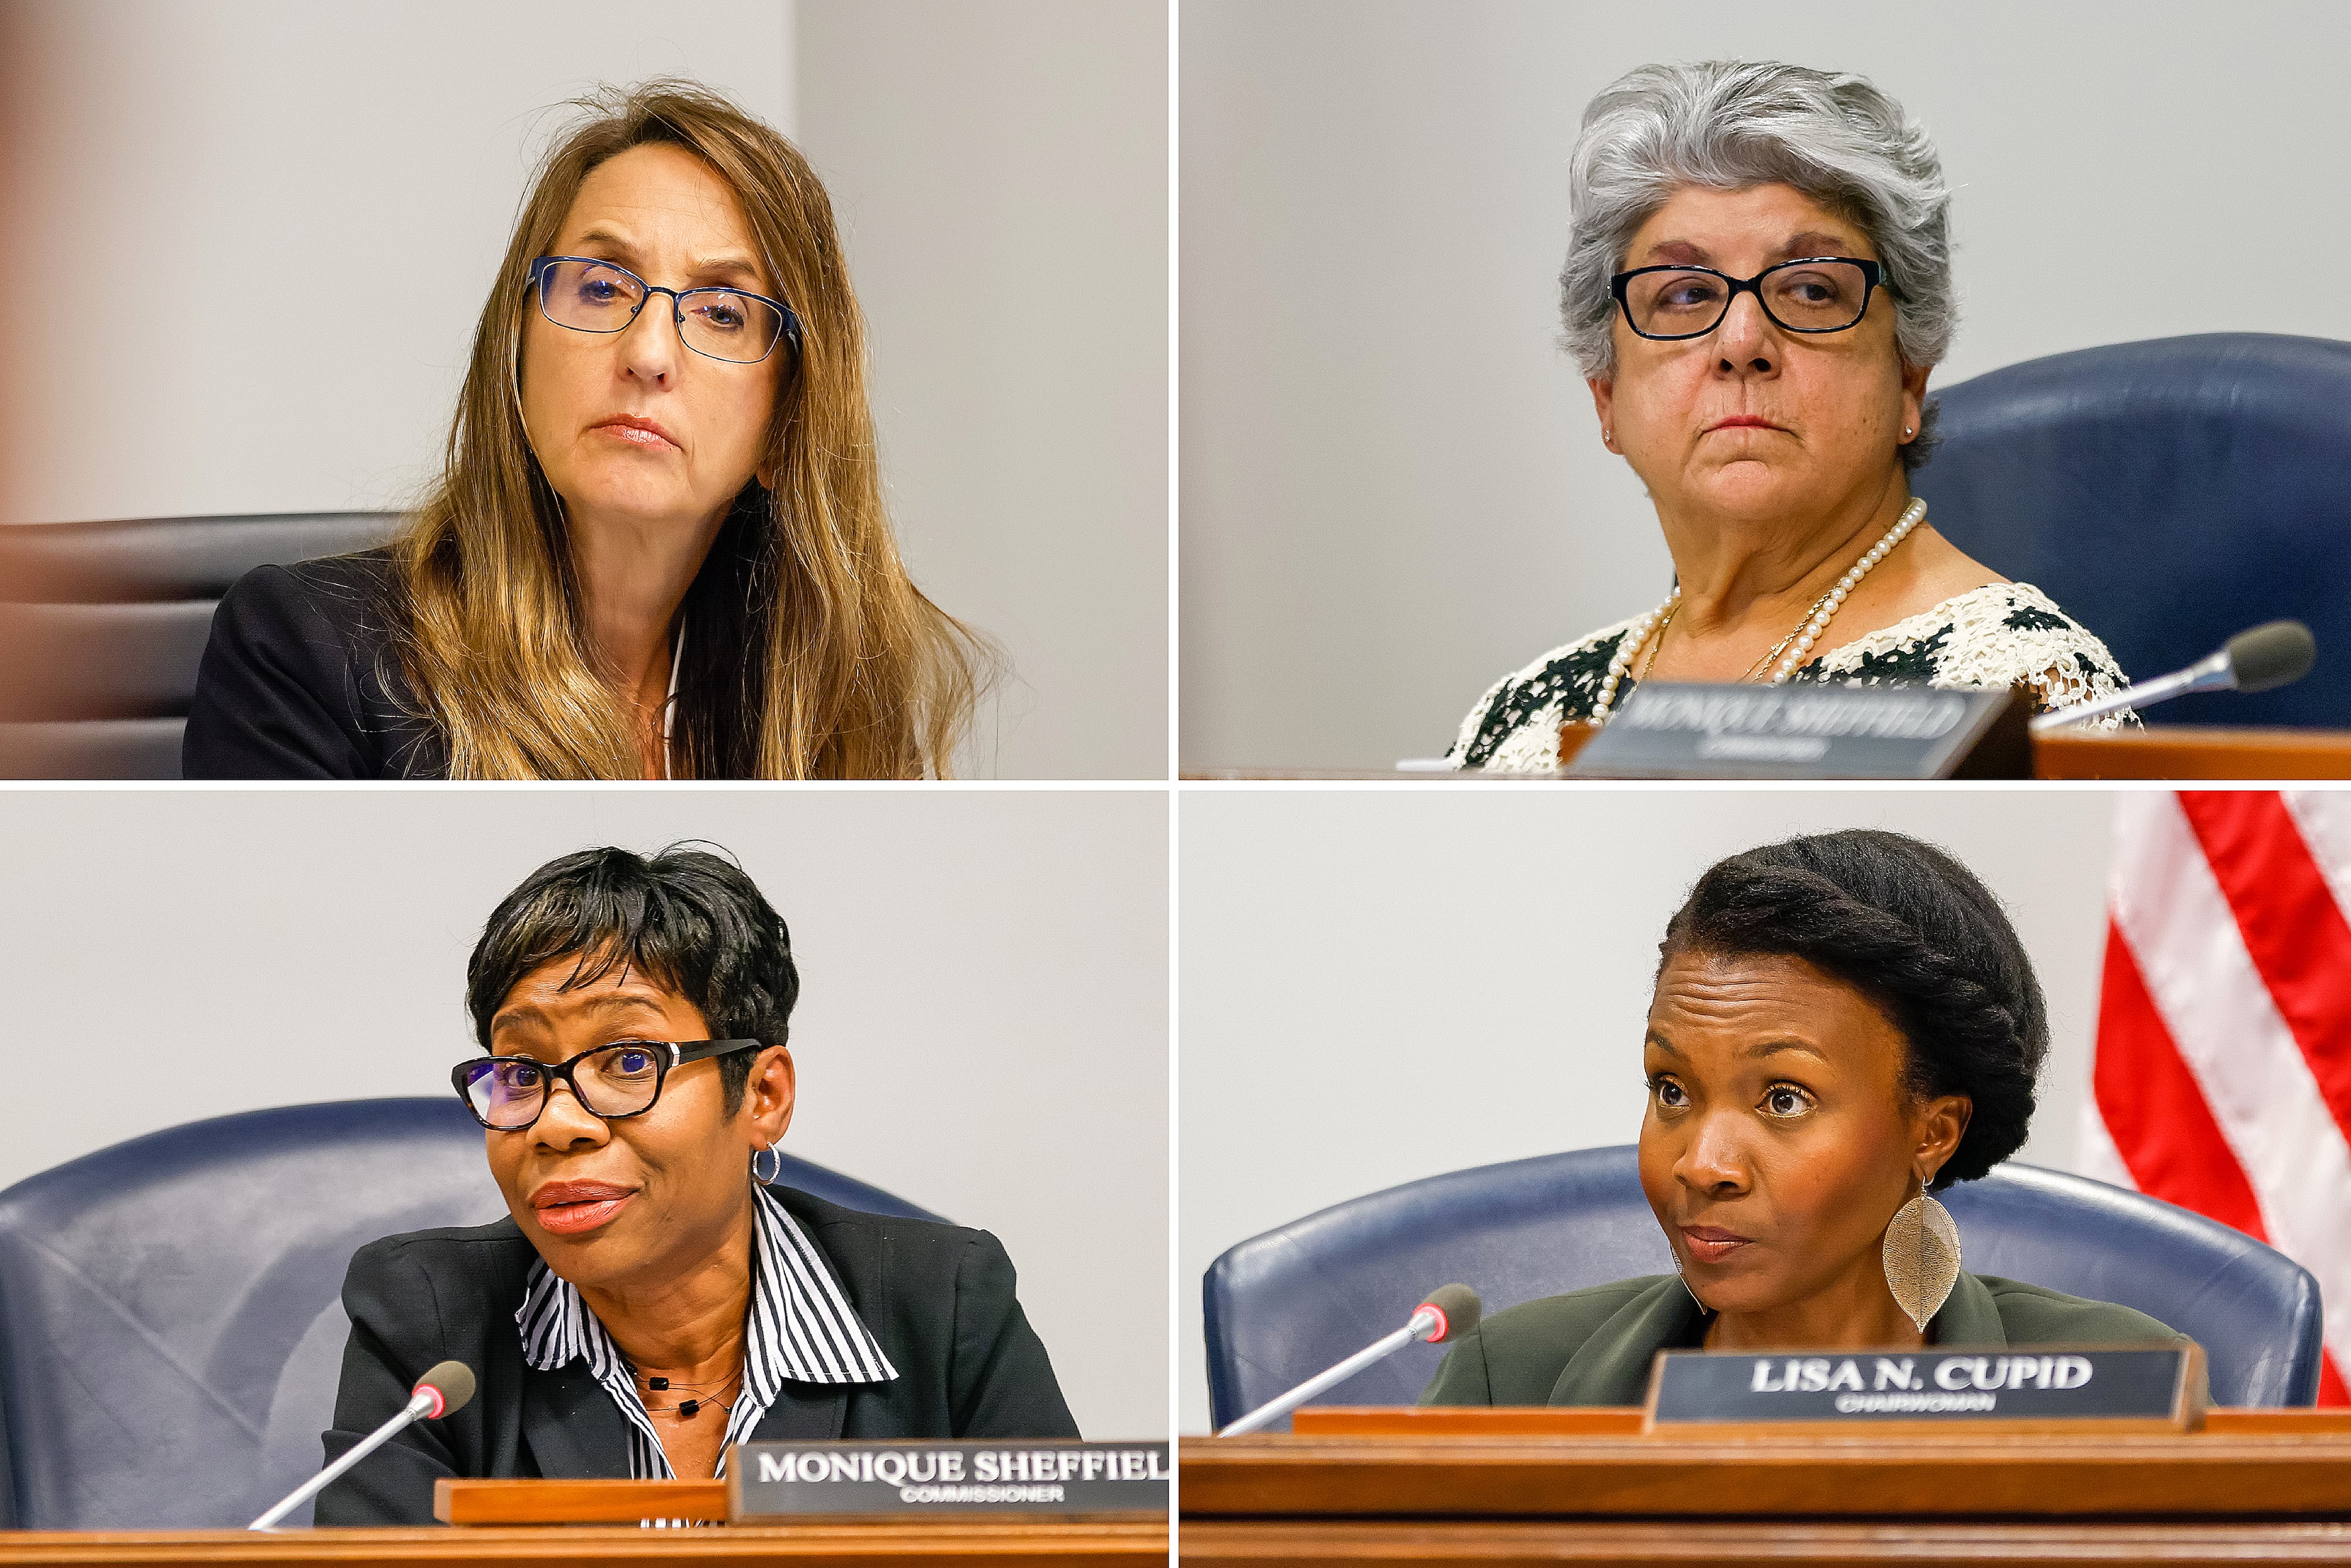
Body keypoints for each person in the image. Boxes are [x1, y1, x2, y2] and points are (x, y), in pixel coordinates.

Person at [184, 81, 985, 780]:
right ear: (518, 348)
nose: (647, 353)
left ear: (785, 426)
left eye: (722, 311)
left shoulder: (831, 702)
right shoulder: (303, 654)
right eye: (601, 288)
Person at [317, 846, 1074, 1525]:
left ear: (763, 1096)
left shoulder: (942, 1303)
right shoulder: (428, 1313)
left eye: (628, 1060)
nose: (556, 1123)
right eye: (520, 1073)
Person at [1449, 62, 2130, 773]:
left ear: (1908, 375)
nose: (1742, 343)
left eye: (1810, 289)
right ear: (1605, 393)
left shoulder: (2020, 692)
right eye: (1683, 296)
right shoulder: (1522, 717)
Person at [1421, 829, 2185, 1406]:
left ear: (1933, 1131)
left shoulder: (2115, 1377)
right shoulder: (1513, 1374)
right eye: (1673, 1090)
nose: (1702, 1163)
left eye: (1783, 1098)